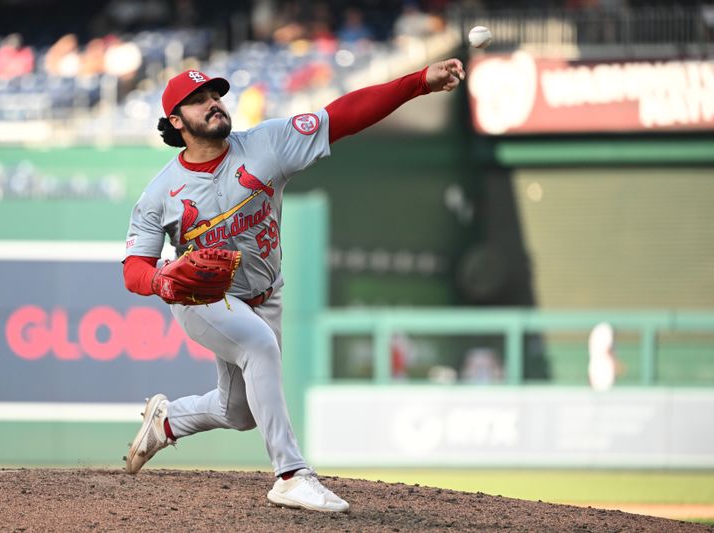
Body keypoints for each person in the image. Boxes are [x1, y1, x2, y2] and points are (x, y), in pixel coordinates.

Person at [122, 57, 465, 512]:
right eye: (198, 100)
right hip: (201, 296)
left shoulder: (267, 143)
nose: (213, 104)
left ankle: (168, 421)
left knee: (239, 412)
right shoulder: (160, 193)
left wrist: (419, 82)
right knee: (260, 346)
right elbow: (134, 270)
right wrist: (164, 280)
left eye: (215, 95)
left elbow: (342, 116)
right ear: (175, 120)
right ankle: (290, 475)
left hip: (265, 294)